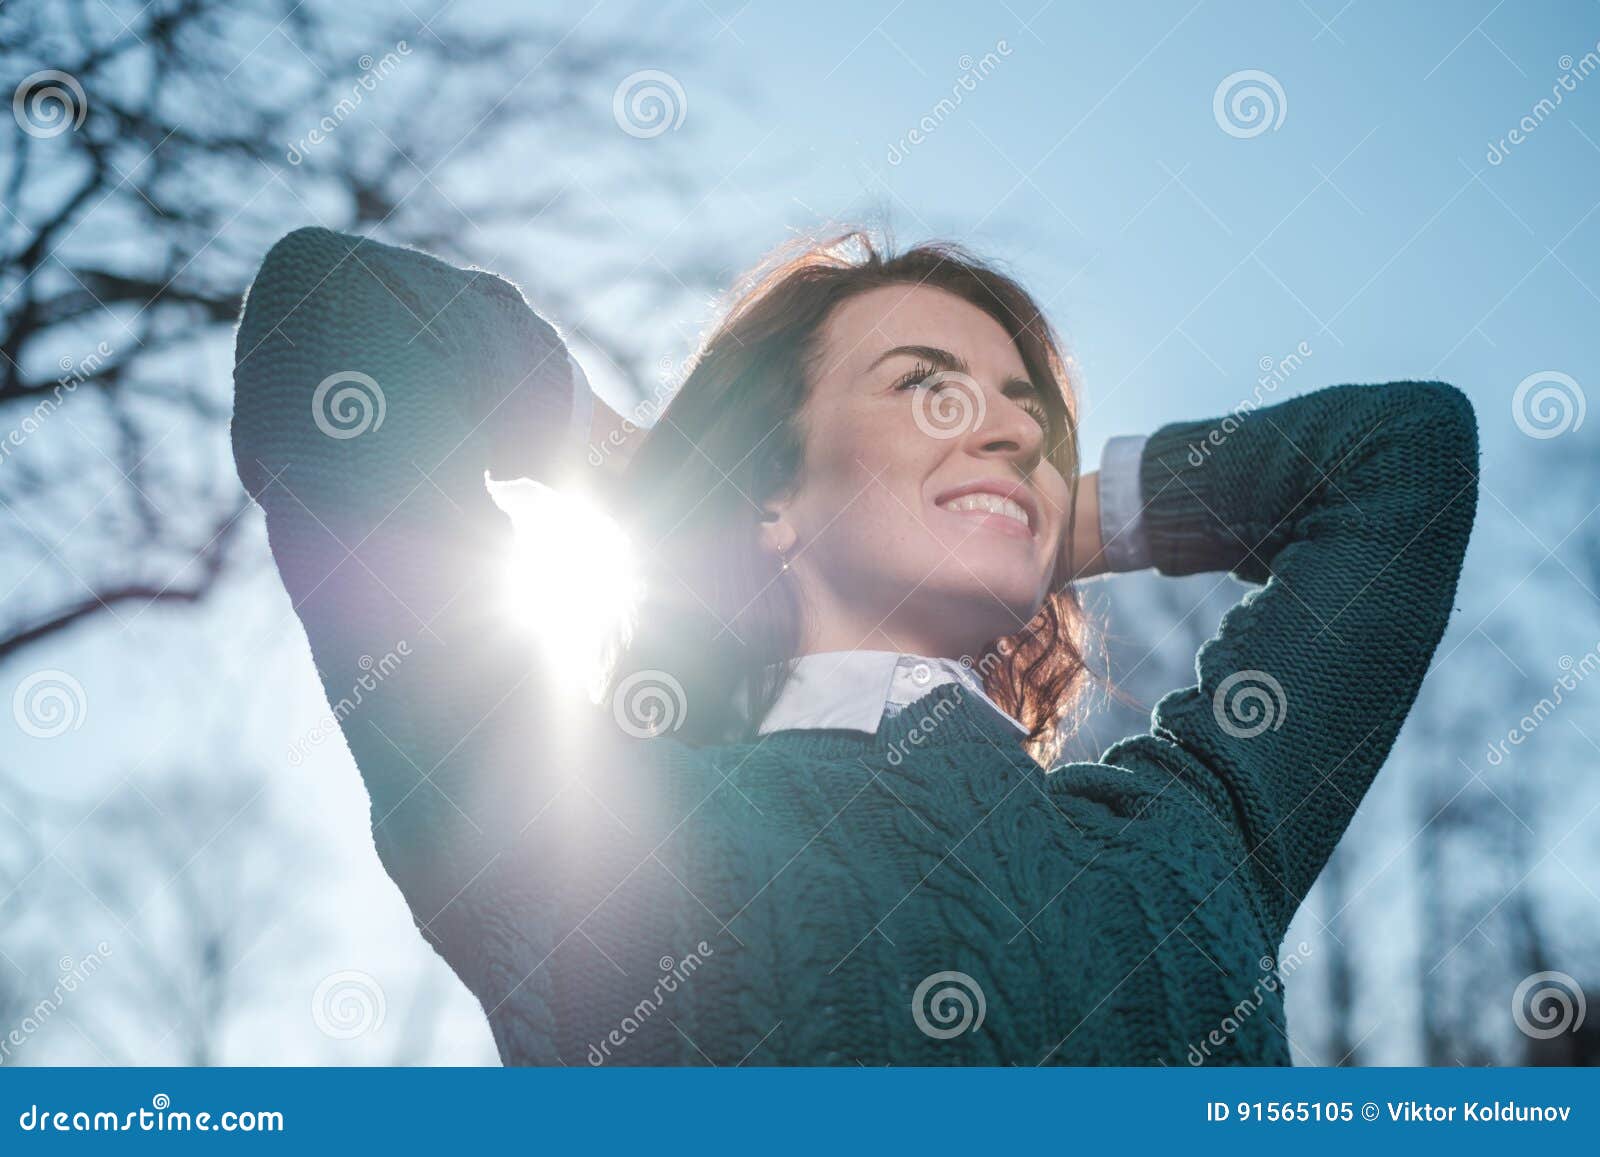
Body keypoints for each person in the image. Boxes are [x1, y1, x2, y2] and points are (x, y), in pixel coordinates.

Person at [231, 225, 1477, 1065]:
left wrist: (1049, 512)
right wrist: (677, 484)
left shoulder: (1187, 845)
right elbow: (340, 322)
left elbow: (1405, 459)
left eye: (1025, 413)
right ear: (772, 488)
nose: (1001, 428)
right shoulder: (584, 829)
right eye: (930, 387)